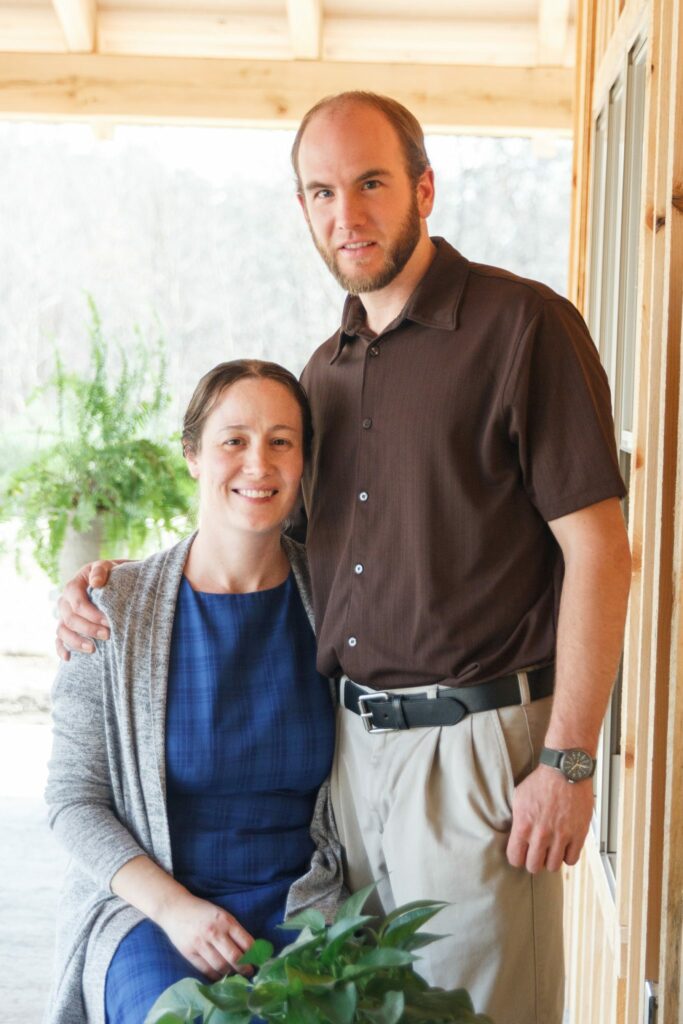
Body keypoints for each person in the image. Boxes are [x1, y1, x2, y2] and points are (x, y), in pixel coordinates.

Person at [57, 93, 632, 1024]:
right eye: (322, 192)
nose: (347, 214)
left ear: (424, 187)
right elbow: (279, 531)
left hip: (477, 745)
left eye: (370, 183)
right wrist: (112, 584)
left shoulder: (521, 326)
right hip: (351, 764)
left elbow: (600, 550)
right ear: (303, 208)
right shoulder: (325, 371)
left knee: (479, 1010)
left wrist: (567, 759)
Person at [45, 360, 344, 1024]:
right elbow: (72, 799)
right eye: (233, 440)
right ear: (191, 456)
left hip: (300, 906)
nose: (258, 464)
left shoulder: (335, 604)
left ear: (304, 461)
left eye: (281, 441)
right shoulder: (112, 609)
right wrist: (176, 911)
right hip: (152, 910)